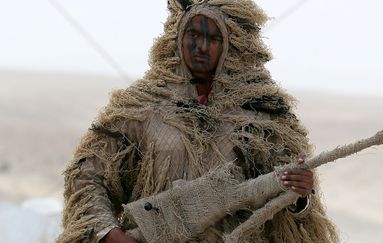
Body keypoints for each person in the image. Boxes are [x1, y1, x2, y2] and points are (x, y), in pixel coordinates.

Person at [58, 1, 338, 242]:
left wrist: (300, 196)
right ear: (178, 37)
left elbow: (293, 205)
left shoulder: (263, 114)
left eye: (213, 38)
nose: (201, 46)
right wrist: (107, 232)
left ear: (231, 43)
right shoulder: (140, 107)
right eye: (193, 33)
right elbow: (87, 174)